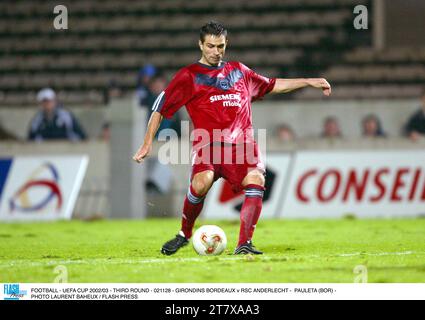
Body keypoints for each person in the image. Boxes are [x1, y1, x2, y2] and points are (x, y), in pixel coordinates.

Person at [133, 21, 331, 255]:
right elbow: (159, 107)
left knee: (256, 179)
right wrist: (147, 143)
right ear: (200, 45)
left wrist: (308, 81)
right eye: (210, 46)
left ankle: (244, 244)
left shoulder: (239, 71)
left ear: (226, 44)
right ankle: (184, 234)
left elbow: (272, 85)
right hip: (209, 145)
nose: (216, 52)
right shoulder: (189, 76)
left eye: (220, 46)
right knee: (201, 182)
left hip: (242, 146)